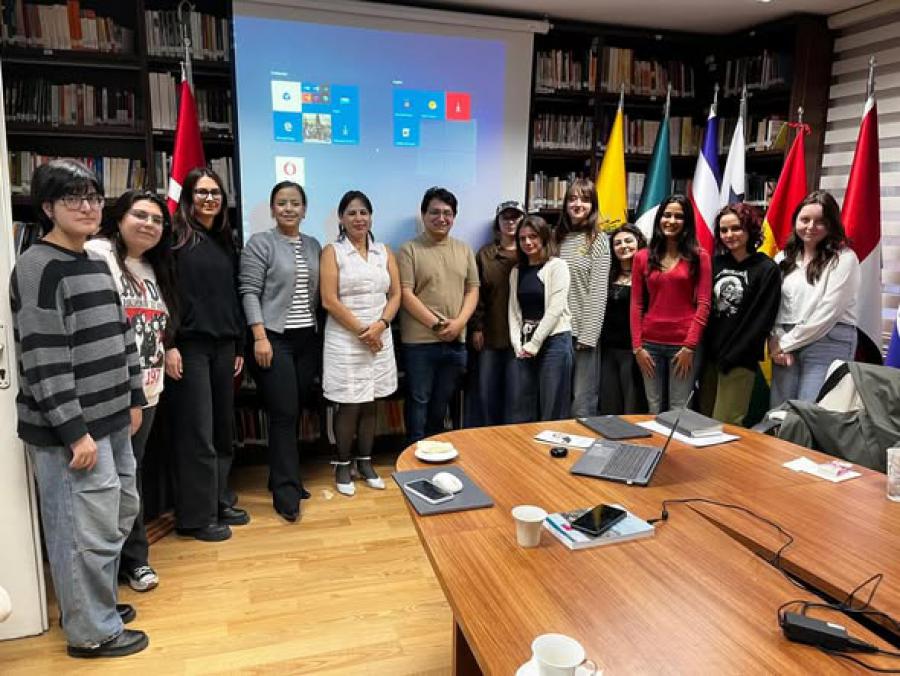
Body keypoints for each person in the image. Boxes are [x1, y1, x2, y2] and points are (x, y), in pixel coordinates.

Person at [10, 159, 148, 657]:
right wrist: (74, 432)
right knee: (80, 531)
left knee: (115, 515)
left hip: (113, 418)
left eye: (93, 197)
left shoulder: (94, 259)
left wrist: (134, 397)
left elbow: (122, 334)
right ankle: (91, 632)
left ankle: (97, 604)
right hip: (74, 432)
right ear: (48, 207)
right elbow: (43, 359)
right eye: (74, 198)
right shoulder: (36, 267)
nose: (88, 207)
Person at [85, 190, 178, 592]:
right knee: (106, 483)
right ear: (119, 217)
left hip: (149, 391)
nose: (149, 224)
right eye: (140, 215)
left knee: (130, 477)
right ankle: (105, 569)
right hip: (113, 392)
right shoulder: (98, 255)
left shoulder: (156, 267)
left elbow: (159, 322)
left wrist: (170, 346)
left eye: (157, 219)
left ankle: (134, 559)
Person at [166, 168, 248, 541]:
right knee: (197, 431)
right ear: (188, 197)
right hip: (190, 346)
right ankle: (196, 517)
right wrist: (169, 343)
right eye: (202, 192)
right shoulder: (175, 239)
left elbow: (232, 295)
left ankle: (218, 500)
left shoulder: (226, 241)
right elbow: (165, 292)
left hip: (224, 345)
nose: (210, 198)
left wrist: (239, 345)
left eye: (215, 192)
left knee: (222, 429)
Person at [239, 181, 322, 522]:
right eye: (282, 203)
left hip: (307, 340)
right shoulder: (260, 243)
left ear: (304, 210)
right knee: (284, 413)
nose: (289, 208)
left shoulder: (314, 245)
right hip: (274, 339)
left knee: (294, 407)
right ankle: (287, 493)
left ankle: (282, 476)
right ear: (273, 209)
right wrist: (259, 337)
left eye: (295, 203)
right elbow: (248, 291)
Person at [321, 191, 400, 495]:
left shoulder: (384, 251)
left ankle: (365, 462)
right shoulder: (333, 252)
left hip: (380, 336)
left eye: (364, 212)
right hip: (346, 339)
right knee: (349, 403)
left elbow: (395, 295)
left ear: (371, 217)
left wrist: (380, 326)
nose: (358, 218)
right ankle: (343, 464)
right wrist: (364, 332)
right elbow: (329, 300)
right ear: (341, 218)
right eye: (351, 213)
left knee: (371, 401)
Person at [398, 187, 479, 443]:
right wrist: (437, 325)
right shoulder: (409, 249)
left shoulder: (464, 249)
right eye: (434, 212)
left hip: (455, 340)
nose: (441, 218)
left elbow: (473, 289)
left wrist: (459, 323)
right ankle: (413, 451)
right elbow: (405, 293)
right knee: (418, 400)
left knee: (441, 402)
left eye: (447, 213)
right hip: (420, 342)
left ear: (454, 217)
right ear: (423, 215)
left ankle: (433, 450)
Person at [769, 191, 860, 407]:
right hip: (786, 337)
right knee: (780, 410)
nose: (811, 226)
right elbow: (773, 304)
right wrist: (776, 337)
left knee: (811, 411)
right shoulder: (783, 258)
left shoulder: (844, 258)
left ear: (832, 224)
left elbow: (828, 312)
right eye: (805, 219)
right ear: (795, 221)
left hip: (828, 340)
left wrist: (784, 344)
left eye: (820, 221)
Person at [699, 204, 780, 425]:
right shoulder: (714, 264)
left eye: (736, 228)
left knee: (725, 423)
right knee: (701, 421)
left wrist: (733, 355)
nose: (729, 235)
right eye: (724, 230)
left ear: (749, 229)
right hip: (709, 358)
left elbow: (762, 320)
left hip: (739, 359)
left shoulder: (766, 268)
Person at [630, 195, 712, 413]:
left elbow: (704, 304)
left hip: (683, 346)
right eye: (667, 215)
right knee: (653, 407)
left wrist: (690, 346)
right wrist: (637, 347)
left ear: (687, 222)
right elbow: (636, 304)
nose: (672, 221)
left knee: (679, 409)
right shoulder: (642, 257)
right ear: (659, 218)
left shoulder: (699, 256)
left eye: (679, 216)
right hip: (649, 345)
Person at [553, 178, 611, 417]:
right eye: (573, 199)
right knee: (556, 399)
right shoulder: (556, 238)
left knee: (581, 402)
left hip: (582, 333)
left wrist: (589, 335)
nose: (578, 204)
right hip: (556, 331)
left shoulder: (598, 240)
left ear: (593, 205)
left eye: (585, 200)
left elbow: (598, 290)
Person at [507, 216, 573, 422]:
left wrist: (535, 343)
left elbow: (555, 308)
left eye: (533, 236)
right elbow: (514, 310)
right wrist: (517, 344)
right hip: (526, 343)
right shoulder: (516, 271)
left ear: (544, 237)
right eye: (522, 238)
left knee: (552, 406)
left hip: (555, 341)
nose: (527, 242)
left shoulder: (557, 266)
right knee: (523, 405)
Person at [468, 200, 523, 426]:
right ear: (497, 223)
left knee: (517, 397)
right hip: (491, 334)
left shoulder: (531, 252)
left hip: (523, 339)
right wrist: (476, 327)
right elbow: (476, 293)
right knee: (487, 395)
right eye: (505, 217)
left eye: (515, 217)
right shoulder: (485, 254)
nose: (510, 222)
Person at [599, 224, 648, 415]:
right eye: (617, 243)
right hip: (608, 349)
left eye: (628, 241)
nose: (623, 246)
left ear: (639, 243)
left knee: (632, 405)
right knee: (610, 404)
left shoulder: (648, 274)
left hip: (634, 350)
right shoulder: (607, 274)